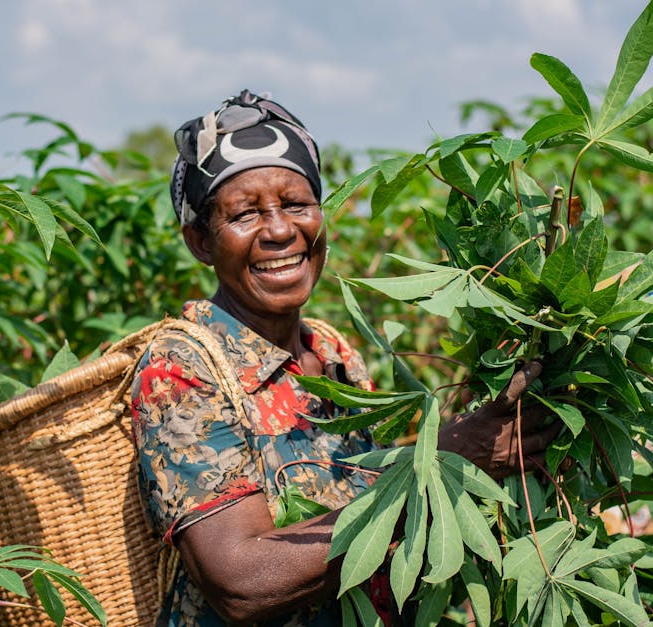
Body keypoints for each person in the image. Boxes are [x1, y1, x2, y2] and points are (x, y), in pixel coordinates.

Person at [129, 90, 555, 626]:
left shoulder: (331, 350)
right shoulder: (181, 368)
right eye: (244, 214)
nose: (281, 230)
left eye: (296, 204)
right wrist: (433, 467)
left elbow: (365, 498)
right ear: (200, 242)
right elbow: (239, 581)